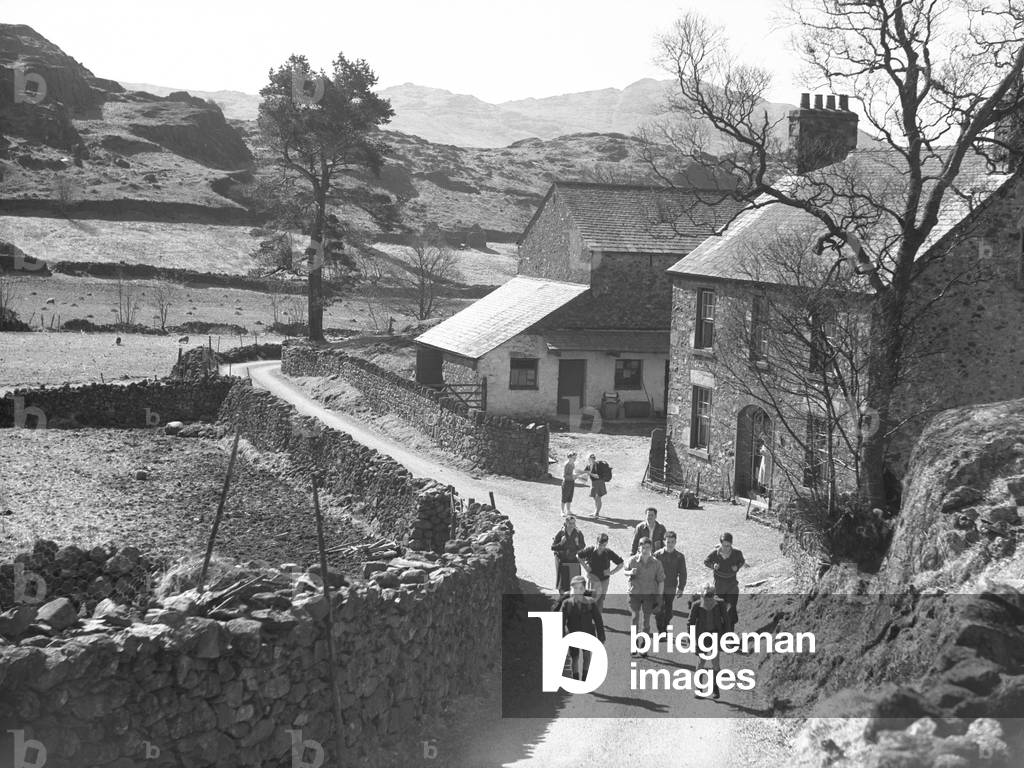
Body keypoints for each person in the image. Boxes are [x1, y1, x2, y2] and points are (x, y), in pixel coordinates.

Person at [623, 537, 665, 658]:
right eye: (643, 547)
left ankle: (644, 646)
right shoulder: (632, 560)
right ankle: (634, 643)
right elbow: (625, 571)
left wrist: (660, 597)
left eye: (648, 547)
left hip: (649, 595)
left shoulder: (657, 563)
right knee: (635, 618)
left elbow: (661, 581)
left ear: (651, 548)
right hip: (634, 594)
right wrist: (630, 572)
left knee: (646, 621)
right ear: (639, 548)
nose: (645, 550)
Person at [688, 584, 732, 699]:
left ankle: (715, 689)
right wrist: (692, 639)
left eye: (711, 595)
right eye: (706, 595)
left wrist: (727, 637)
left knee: (715, 663)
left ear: (714, 594)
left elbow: (726, 621)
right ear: (702, 595)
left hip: (715, 636)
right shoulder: (696, 605)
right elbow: (690, 623)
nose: (708, 598)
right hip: (702, 637)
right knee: (701, 662)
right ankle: (699, 688)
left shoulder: (720, 604)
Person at [560, 575, 606, 680]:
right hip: (573, 634)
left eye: (580, 588)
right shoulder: (566, 604)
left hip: (588, 634)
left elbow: (598, 621)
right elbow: (561, 622)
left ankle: (585, 677)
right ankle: (575, 677)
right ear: (571, 589)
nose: (577, 591)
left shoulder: (591, 602)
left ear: (584, 589)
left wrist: (601, 636)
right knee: (574, 657)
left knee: (587, 656)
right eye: (575, 588)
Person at [703, 532, 745, 628]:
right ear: (720, 544)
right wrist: (713, 566)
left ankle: (730, 635)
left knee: (731, 610)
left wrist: (737, 567)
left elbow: (742, 561)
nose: (726, 548)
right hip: (719, 587)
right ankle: (720, 633)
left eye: (728, 545)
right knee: (720, 611)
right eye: (724, 545)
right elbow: (706, 561)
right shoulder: (715, 553)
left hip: (732, 587)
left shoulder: (737, 553)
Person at [576, 532, 624, 613]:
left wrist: (611, 572)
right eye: (600, 544)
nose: (601, 547)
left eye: (604, 545)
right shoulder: (590, 550)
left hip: (604, 580)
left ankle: (598, 620)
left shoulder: (608, 552)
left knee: (600, 600)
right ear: (596, 542)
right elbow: (578, 556)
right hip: (592, 579)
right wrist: (586, 568)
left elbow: (621, 563)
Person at [654, 531, 687, 633]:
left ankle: (666, 624)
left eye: (672, 542)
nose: (670, 544)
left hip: (671, 587)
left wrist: (681, 588)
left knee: (668, 610)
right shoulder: (657, 555)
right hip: (658, 587)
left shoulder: (680, 557)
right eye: (668, 542)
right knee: (659, 609)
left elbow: (683, 573)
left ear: (675, 542)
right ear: (664, 541)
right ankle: (661, 632)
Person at [551, 515, 586, 595]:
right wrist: (561, 543)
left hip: (573, 560)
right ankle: (563, 601)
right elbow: (553, 547)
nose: (572, 525)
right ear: (566, 523)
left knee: (576, 583)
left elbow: (583, 545)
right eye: (570, 523)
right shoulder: (561, 533)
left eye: (574, 523)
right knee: (563, 585)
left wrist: (577, 544)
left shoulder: (578, 533)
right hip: (562, 560)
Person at [583, 453, 607, 517]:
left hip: (599, 482)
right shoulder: (588, 466)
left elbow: (598, 476)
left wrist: (590, 473)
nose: (590, 460)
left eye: (591, 458)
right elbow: (584, 475)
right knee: (594, 498)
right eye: (589, 459)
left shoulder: (598, 465)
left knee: (598, 497)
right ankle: (596, 511)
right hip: (593, 483)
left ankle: (597, 513)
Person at [561, 451, 580, 516]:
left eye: (575, 458)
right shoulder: (567, 464)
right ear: (569, 457)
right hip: (566, 482)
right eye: (573, 458)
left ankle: (568, 511)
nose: (575, 459)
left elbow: (572, 473)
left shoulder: (573, 464)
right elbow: (564, 475)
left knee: (570, 497)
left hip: (571, 482)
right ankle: (562, 511)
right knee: (564, 497)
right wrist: (573, 476)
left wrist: (575, 475)